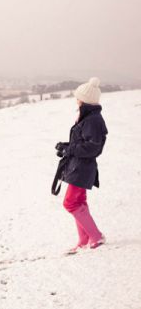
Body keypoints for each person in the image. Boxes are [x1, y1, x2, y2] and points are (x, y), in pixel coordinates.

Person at [55, 77, 108, 254]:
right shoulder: (88, 117)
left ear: (85, 100)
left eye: (78, 97)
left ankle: (96, 236)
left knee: (70, 203)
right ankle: (84, 239)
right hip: (78, 166)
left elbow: (93, 147)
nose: (76, 100)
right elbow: (82, 142)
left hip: (82, 168)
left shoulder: (93, 120)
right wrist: (66, 146)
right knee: (79, 201)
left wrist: (70, 149)